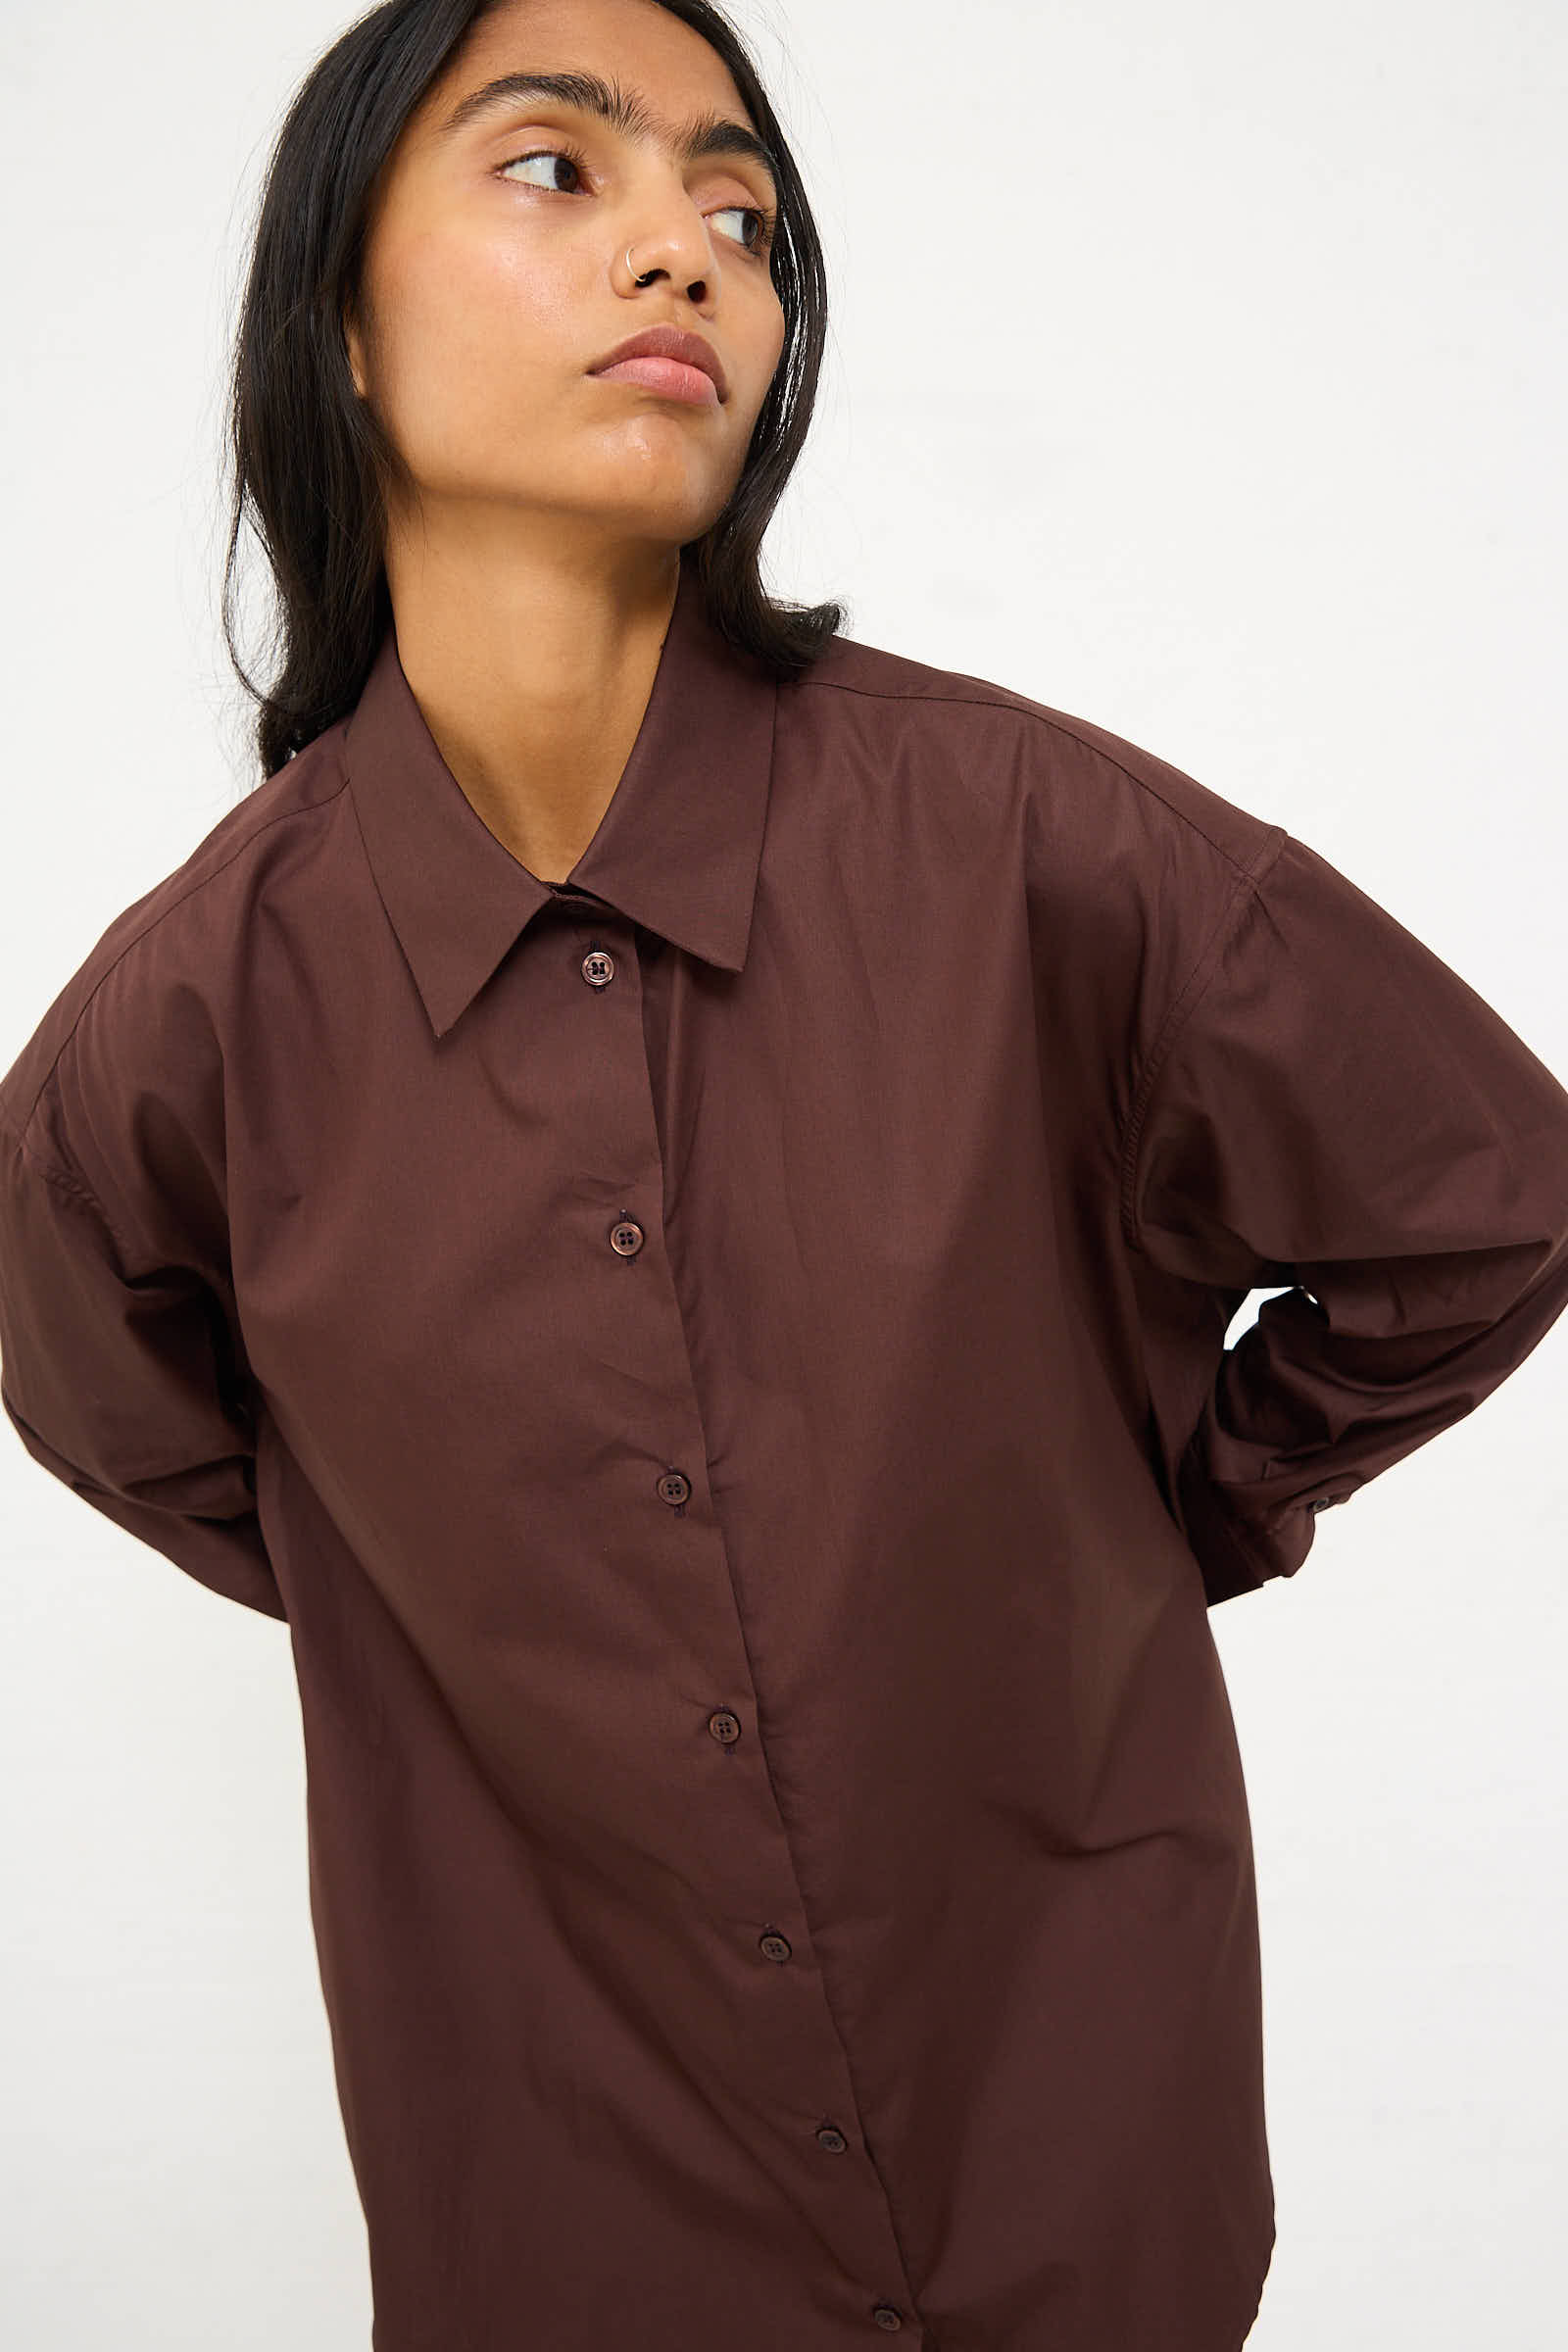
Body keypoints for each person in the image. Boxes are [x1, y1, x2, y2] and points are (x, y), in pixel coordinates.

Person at [2, 1, 1565, 2347]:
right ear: (333, 312)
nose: (686, 254)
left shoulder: (1035, 844)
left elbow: (1479, 1196)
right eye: (560, 171)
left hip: (1081, 2171)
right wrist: (453, 1590)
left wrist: (1153, 1514)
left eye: (739, 212)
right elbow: (111, 1394)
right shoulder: (187, 1023)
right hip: (556, 2223)